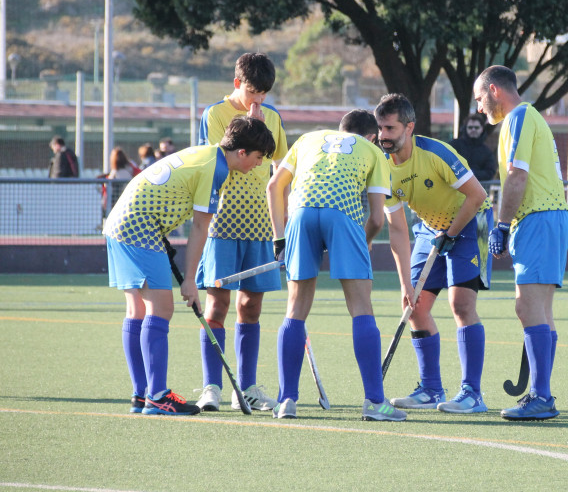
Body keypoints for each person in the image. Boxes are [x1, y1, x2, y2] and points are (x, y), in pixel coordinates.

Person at [104, 115, 276, 416]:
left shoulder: (206, 154)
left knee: (137, 310)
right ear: (242, 153)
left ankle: (141, 395)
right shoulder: (216, 169)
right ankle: (157, 396)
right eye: (259, 158)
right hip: (139, 228)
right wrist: (190, 282)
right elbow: (200, 228)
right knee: (162, 309)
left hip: (120, 221)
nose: (259, 165)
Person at [265, 109, 405, 421]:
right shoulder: (373, 151)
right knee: (361, 307)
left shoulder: (308, 139)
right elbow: (378, 219)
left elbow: (274, 187)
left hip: (300, 213)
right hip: (344, 215)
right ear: (371, 136)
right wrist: (362, 241)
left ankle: (286, 400)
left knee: (295, 308)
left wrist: (279, 239)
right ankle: (375, 402)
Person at [374, 93, 493, 415]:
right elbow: (397, 229)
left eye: (390, 128)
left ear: (409, 128)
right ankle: (430, 388)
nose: (383, 136)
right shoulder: (381, 167)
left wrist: (450, 234)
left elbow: (477, 195)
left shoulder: (436, 153)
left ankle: (472, 394)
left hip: (469, 222)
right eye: (380, 128)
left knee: (461, 304)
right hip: (429, 229)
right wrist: (404, 285)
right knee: (415, 307)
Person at [473, 65, 568, 421]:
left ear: (495, 90)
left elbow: (517, 174)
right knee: (539, 310)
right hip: (549, 217)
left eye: (480, 98)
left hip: (539, 217)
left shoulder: (518, 117)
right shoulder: (526, 118)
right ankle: (540, 393)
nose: (480, 108)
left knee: (528, 307)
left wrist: (501, 224)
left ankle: (541, 396)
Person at [194, 52, 289, 412]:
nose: (259, 100)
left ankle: (245, 388)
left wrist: (286, 218)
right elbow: (218, 161)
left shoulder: (274, 117)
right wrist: (251, 125)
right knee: (217, 303)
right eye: (253, 91)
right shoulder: (215, 115)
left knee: (250, 306)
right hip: (222, 225)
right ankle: (212, 387)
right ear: (237, 84)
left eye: (264, 93)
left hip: (260, 225)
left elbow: (282, 166)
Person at [449, 113, 496, 183]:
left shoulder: (487, 151)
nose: (473, 130)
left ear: (482, 129)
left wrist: (470, 175)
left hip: (479, 189)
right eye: (470, 127)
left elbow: (490, 172)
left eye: (476, 127)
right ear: (465, 128)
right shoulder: (454, 145)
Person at [103, 147, 141, 215]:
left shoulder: (115, 171)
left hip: (118, 200)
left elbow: (108, 185)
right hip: (130, 198)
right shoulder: (130, 167)